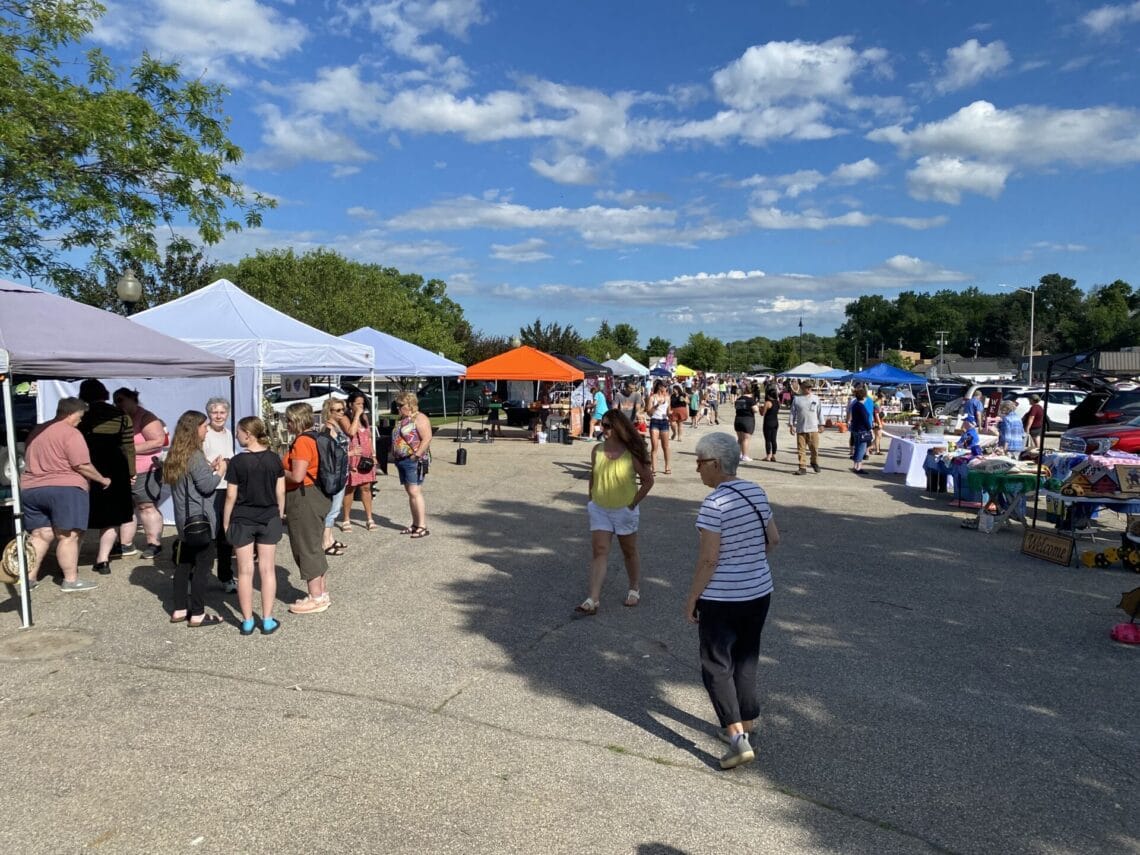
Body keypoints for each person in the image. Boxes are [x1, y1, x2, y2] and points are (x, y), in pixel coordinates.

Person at [685, 432, 780, 770]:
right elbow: (773, 538)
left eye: (699, 462)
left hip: (722, 597)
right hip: (758, 590)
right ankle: (748, 723)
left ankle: (737, 737)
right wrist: (749, 561)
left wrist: (692, 597)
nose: (697, 470)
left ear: (714, 463)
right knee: (746, 655)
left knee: (716, 664)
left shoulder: (714, 504)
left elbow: (709, 560)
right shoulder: (756, 491)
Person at [20, 398, 110, 591]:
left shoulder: (38, 430)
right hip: (64, 489)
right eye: (80, 416)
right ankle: (70, 580)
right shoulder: (71, 433)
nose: (81, 420)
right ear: (71, 413)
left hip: (31, 488)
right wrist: (102, 479)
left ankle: (28, 578)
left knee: (39, 534)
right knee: (67, 536)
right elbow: (81, 465)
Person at [575, 410, 655, 615]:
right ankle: (592, 599)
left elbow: (648, 481)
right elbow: (593, 475)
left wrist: (633, 504)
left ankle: (634, 587)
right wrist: (591, 499)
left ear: (619, 427)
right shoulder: (597, 450)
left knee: (628, 551)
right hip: (600, 508)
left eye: (608, 425)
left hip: (624, 509)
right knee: (599, 551)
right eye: (603, 424)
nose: (604, 429)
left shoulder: (631, 453)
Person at [223, 416, 285, 636]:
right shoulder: (274, 459)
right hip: (269, 517)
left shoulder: (238, 462)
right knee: (267, 570)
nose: (237, 435)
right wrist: (279, 512)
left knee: (245, 571)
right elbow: (280, 491)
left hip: (242, 518)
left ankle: (248, 620)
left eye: (239, 432)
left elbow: (231, 495)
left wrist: (226, 521)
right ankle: (267, 619)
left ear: (247, 434)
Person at [164, 410, 225, 627]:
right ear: (194, 429)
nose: (207, 429)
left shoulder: (174, 455)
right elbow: (207, 487)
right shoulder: (195, 456)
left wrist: (207, 470)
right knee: (202, 566)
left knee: (183, 564)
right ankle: (198, 613)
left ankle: (179, 609)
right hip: (201, 521)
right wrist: (220, 471)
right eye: (203, 426)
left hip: (184, 520)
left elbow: (190, 482)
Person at [77, 380, 134, 576]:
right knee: (112, 516)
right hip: (116, 466)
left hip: (86, 465)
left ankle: (71, 560)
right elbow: (128, 447)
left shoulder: (80, 416)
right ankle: (102, 561)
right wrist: (132, 472)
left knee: (80, 515)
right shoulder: (122, 416)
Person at [282, 403, 332, 614]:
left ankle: (316, 597)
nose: (287, 424)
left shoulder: (302, 442)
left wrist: (278, 470)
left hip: (304, 496)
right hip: (317, 494)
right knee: (314, 544)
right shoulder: (316, 437)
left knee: (306, 546)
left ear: (296, 420)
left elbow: (297, 475)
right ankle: (320, 592)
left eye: (289, 420)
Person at [113, 387, 166, 559]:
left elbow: (158, 441)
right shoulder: (119, 418)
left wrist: (129, 450)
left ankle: (154, 544)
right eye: (115, 400)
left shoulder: (146, 417)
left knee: (146, 506)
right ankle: (126, 544)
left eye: (121, 400)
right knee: (125, 508)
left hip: (145, 469)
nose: (117, 404)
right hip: (122, 470)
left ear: (133, 399)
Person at [203, 397, 235, 592]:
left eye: (222, 412)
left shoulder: (228, 433)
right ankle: (200, 574)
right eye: (215, 412)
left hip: (227, 487)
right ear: (208, 413)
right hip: (209, 488)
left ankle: (226, 576)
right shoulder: (204, 433)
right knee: (209, 534)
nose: (218, 416)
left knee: (225, 534)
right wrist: (212, 466)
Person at [392, 391, 433, 538]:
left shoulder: (419, 418)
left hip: (413, 460)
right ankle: (415, 523)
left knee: (415, 492)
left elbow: (427, 438)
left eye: (401, 405)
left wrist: (416, 455)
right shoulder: (403, 418)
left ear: (410, 404)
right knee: (411, 492)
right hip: (402, 460)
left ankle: (422, 525)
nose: (398, 408)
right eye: (397, 405)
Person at [313, 398, 349, 554]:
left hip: (341, 472)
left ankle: (331, 538)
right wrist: (350, 453)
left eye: (343, 409)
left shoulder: (336, 428)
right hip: (333, 475)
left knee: (336, 507)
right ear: (329, 411)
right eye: (338, 410)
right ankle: (326, 542)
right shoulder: (327, 431)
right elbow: (328, 456)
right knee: (332, 509)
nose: (342, 412)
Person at [338, 390, 378, 532]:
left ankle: (369, 518)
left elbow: (368, 436)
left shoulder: (365, 418)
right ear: (351, 404)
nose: (361, 406)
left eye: (362, 403)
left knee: (366, 487)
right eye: (358, 404)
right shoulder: (344, 418)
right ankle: (346, 518)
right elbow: (350, 432)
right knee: (350, 488)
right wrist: (356, 416)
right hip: (353, 455)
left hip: (365, 456)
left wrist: (373, 454)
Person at [788, 379, 822, 475]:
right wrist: (791, 425)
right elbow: (792, 413)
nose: (809, 389)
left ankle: (814, 462)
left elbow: (820, 412)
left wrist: (822, 424)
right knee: (801, 449)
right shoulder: (797, 399)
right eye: (807, 387)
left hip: (813, 428)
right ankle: (802, 467)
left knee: (814, 448)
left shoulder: (816, 398)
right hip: (801, 428)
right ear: (802, 388)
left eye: (810, 387)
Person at [645, 379, 672, 475]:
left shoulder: (668, 398)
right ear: (660, 387)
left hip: (664, 421)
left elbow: (668, 411)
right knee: (654, 446)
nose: (666, 388)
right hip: (655, 421)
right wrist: (657, 405)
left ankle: (667, 466)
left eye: (667, 386)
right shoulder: (652, 397)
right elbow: (649, 413)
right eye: (665, 386)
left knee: (666, 446)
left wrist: (671, 414)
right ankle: (654, 468)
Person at [847, 387, 874, 474]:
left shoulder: (855, 405)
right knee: (861, 448)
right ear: (864, 397)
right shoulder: (861, 406)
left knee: (857, 447)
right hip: (862, 429)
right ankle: (858, 467)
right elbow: (865, 419)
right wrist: (870, 429)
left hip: (855, 428)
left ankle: (855, 465)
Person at [733, 383, 760, 462]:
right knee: (746, 439)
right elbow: (755, 410)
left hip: (738, 419)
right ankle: (745, 455)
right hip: (747, 420)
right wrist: (757, 406)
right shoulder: (751, 400)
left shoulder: (738, 399)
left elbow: (736, 407)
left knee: (740, 439)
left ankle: (739, 454)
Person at [761, 385, 780, 462]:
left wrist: (760, 408)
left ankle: (768, 456)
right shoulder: (777, 402)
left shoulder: (768, 403)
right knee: (774, 439)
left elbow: (763, 413)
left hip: (768, 422)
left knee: (768, 439)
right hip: (775, 421)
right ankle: (774, 455)